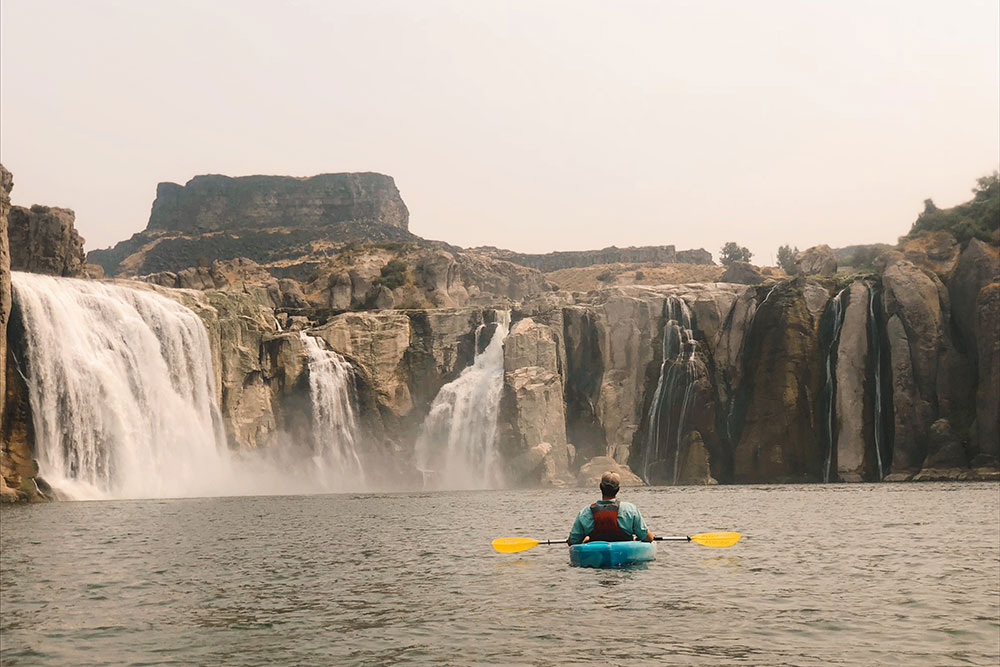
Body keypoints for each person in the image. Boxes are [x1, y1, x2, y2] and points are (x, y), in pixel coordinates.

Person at [567, 471, 654, 544]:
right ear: (618, 489)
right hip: (625, 555)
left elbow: (573, 541)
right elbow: (647, 538)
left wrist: (584, 540)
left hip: (597, 557)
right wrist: (650, 537)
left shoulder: (585, 512)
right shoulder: (630, 510)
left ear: (600, 487)